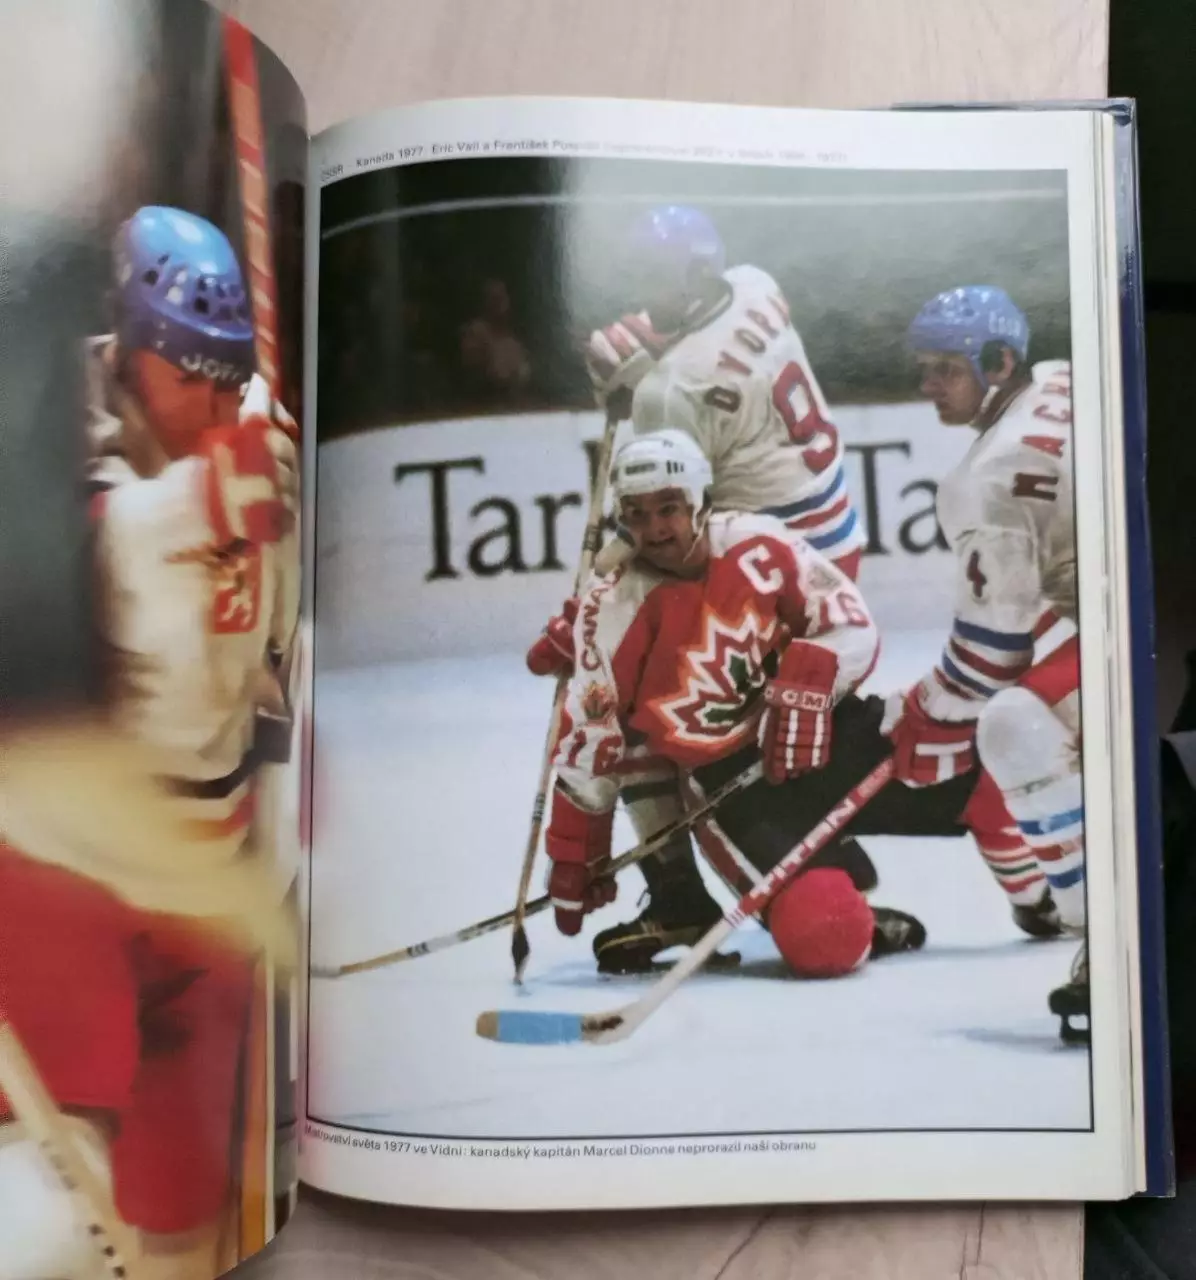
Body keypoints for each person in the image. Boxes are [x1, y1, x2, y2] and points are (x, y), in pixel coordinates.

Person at [0, 205, 300, 1277]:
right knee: (55, 1178)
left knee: (183, 1199)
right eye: (189, 375)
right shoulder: (60, 448)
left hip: (192, 875)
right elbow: (110, 541)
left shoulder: (237, 451)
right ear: (129, 358)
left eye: (228, 376)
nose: (211, 403)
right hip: (84, 871)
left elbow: (262, 653)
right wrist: (210, 493)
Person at [531, 204, 873, 969]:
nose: (641, 291)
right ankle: (823, 854)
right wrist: (654, 346)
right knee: (753, 722)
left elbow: (659, 513)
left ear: (693, 273)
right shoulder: (754, 283)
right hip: (828, 543)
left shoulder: (670, 392)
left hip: (756, 567)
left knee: (659, 719)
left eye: (654, 276)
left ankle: (686, 897)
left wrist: (586, 612)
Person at [538, 428, 989, 979]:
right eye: (637, 513)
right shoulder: (610, 611)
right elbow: (592, 740)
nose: (654, 528)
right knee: (824, 933)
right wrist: (574, 850)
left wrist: (807, 688)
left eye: (669, 508)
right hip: (731, 788)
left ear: (700, 501)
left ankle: (1049, 899)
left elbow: (848, 622)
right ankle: (785, 885)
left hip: (823, 736)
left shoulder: (758, 542)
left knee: (992, 771)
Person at [884, 284, 1085, 1040]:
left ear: (999, 363)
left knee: (1009, 727)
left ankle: (1099, 933)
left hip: (1122, 635)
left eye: (945, 369)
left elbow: (990, 648)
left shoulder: (985, 479)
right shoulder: (1063, 376)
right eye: (924, 369)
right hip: (1145, 602)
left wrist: (928, 711)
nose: (927, 386)